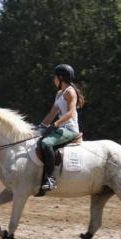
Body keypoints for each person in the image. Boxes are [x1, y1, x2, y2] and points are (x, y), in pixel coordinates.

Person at [38, 64, 85, 192]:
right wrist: (40, 128)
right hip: (60, 128)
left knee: (46, 143)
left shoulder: (70, 92)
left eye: (55, 77)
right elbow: (51, 113)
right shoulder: (59, 93)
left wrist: (55, 125)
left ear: (60, 78)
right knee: (38, 139)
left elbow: (70, 113)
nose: (53, 80)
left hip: (69, 129)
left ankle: (50, 179)